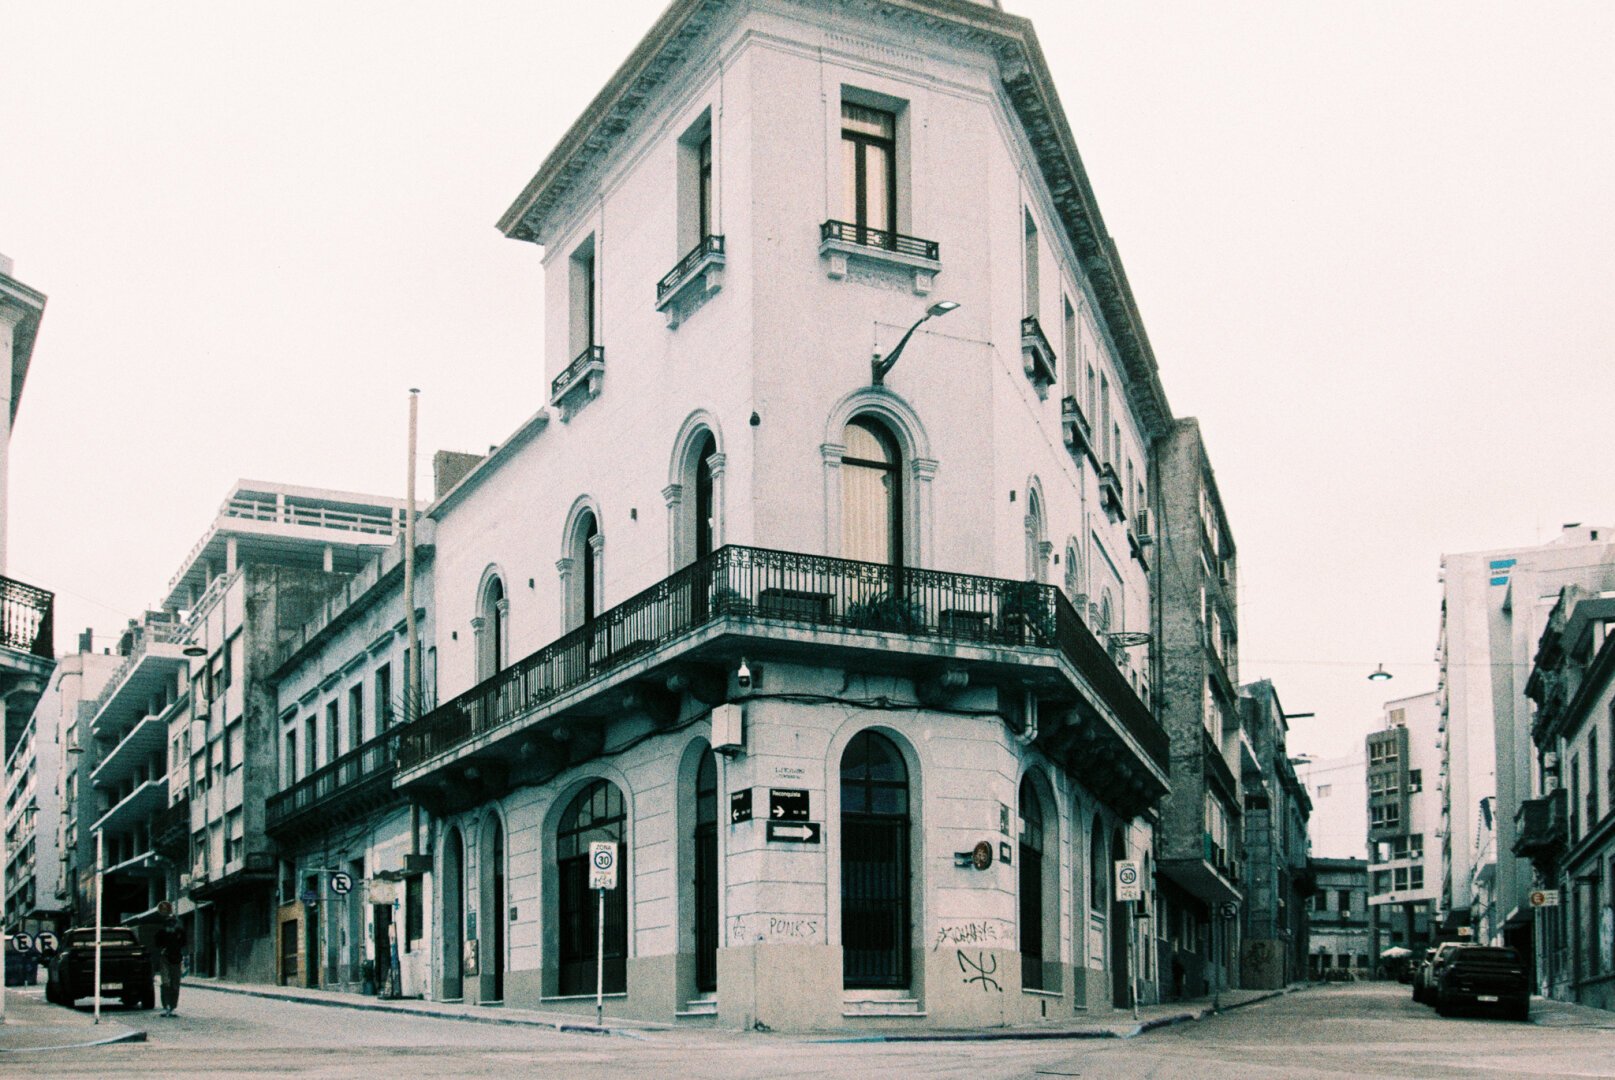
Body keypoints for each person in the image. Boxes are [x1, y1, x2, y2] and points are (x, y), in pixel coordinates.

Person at [154, 915, 186, 1017]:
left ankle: (172, 1007)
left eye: (173, 923)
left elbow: (183, 943)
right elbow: (157, 943)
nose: (171, 926)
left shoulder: (180, 932)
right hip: (165, 958)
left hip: (176, 959)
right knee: (166, 982)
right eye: (169, 924)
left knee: (175, 985)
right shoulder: (162, 933)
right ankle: (166, 1006)